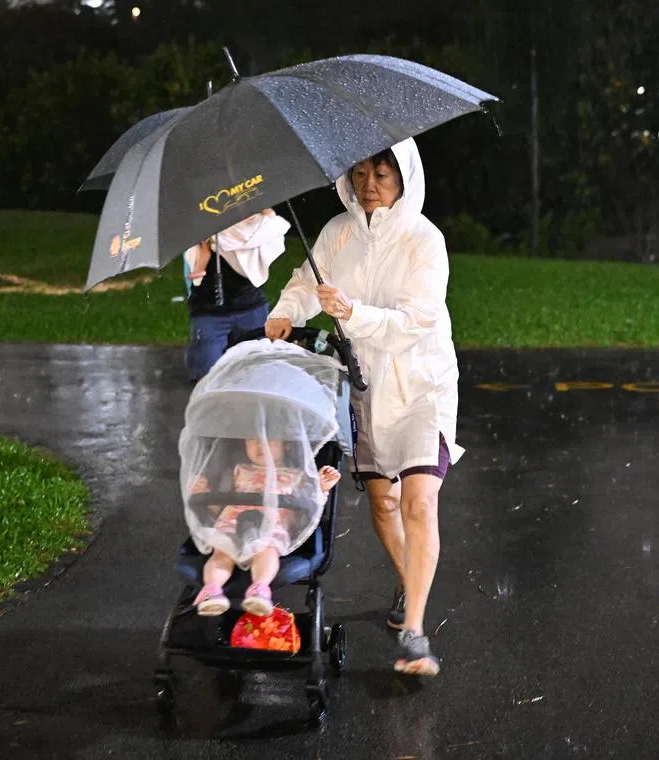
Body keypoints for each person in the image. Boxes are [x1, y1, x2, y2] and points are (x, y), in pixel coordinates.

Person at [263, 138, 463, 677]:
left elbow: (417, 321)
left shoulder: (425, 240)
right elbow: (308, 282)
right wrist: (286, 312)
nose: (369, 184)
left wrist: (353, 312)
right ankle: (408, 575)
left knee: (419, 503)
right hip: (366, 386)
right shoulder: (336, 233)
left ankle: (416, 632)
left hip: (422, 383)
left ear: (404, 178)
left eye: (382, 173)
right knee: (383, 506)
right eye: (359, 172)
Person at [188, 437, 341, 617]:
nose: (259, 445)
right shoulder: (239, 470)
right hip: (232, 523)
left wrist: (320, 489)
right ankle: (212, 590)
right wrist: (205, 494)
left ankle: (259, 588)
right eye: (252, 440)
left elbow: (309, 509)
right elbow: (219, 507)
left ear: (285, 445)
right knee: (221, 553)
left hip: (271, 527)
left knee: (267, 551)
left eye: (270, 441)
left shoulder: (296, 476)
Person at [183, 209, 291, 381]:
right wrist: (202, 259)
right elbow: (193, 275)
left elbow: (274, 234)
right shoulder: (203, 228)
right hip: (210, 314)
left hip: (252, 309)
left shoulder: (263, 226)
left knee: (254, 375)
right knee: (206, 377)